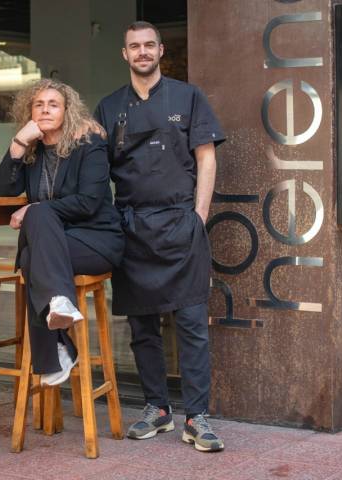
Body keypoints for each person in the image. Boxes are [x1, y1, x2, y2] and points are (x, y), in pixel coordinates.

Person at [94, 21, 226, 452]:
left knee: (191, 325)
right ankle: (157, 409)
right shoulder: (109, 107)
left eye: (149, 45)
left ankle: (197, 416)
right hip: (131, 228)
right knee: (142, 327)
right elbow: (96, 173)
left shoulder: (189, 97)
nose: (143, 51)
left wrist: (199, 214)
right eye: (135, 46)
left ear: (161, 50)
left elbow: (205, 158)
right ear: (124, 54)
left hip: (180, 222)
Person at [0, 79, 124, 387]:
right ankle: (59, 311)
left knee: (31, 249)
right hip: (54, 245)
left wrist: (36, 210)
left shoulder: (88, 143)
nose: (45, 109)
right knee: (29, 254)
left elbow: (90, 202)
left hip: (96, 241)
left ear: (67, 111)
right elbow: (5, 189)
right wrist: (18, 143)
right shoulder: (33, 151)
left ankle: (59, 346)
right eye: (38, 104)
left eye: (53, 104)